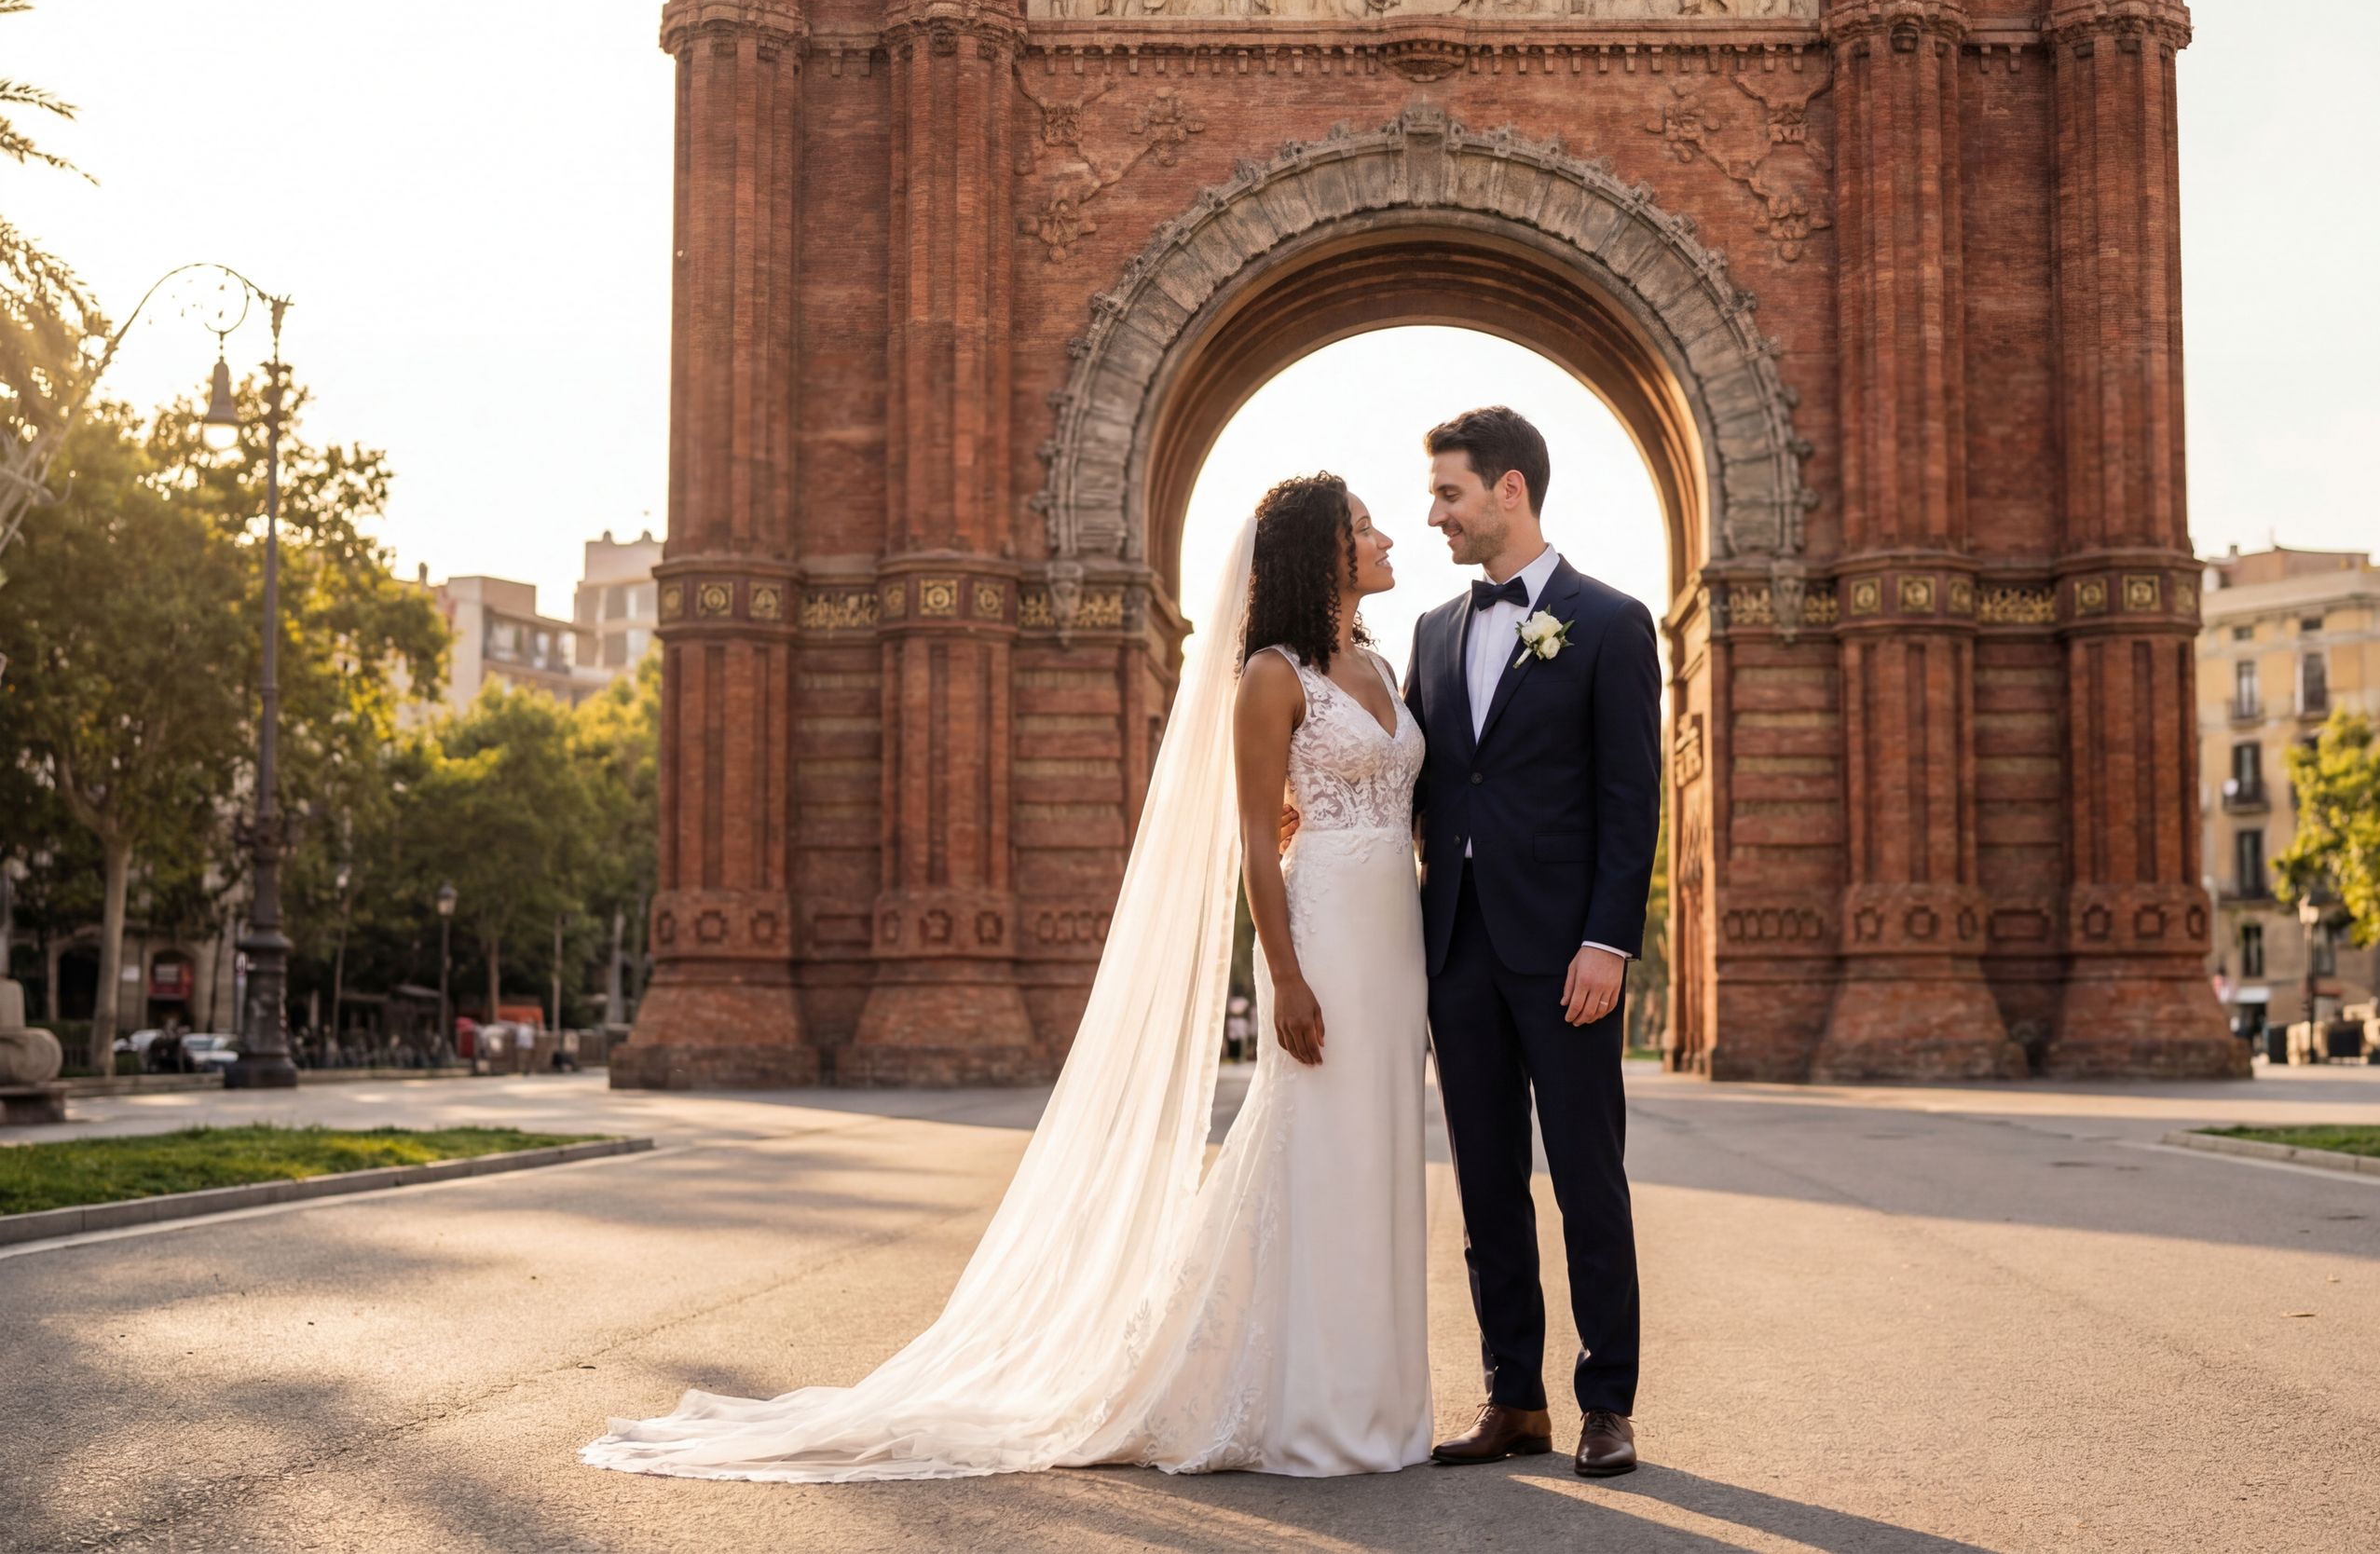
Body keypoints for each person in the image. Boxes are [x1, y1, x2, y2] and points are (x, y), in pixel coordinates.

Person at [582, 473, 1431, 1481]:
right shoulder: (1270, 678)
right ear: (1319, 554)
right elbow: (1253, 840)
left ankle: (1381, 1396)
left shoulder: (1384, 664)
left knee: (1382, 1150)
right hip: (1324, 929)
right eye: (1363, 526)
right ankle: (1314, 1402)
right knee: (1323, 1150)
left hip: (1394, 939)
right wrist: (1285, 977)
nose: (1385, 536)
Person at [1404, 405, 1661, 1480]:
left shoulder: (1609, 621)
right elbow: (1422, 784)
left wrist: (1608, 940)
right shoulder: (1429, 630)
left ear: (1510, 489)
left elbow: (1628, 797)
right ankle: (1513, 1397)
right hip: (1456, 948)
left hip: (1567, 958)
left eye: (1449, 494)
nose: (1435, 517)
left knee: (1587, 1175)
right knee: (1486, 1183)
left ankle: (1606, 1403)